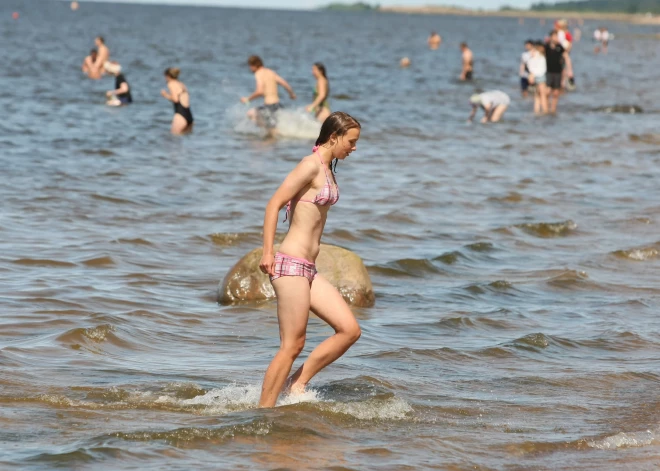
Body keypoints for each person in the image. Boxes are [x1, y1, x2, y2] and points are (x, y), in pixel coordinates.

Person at [257, 112, 362, 408]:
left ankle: (296, 384)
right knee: (292, 345)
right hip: (290, 264)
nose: (353, 148)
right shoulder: (310, 165)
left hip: (308, 269)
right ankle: (263, 412)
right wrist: (267, 252)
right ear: (334, 137)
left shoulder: (327, 168)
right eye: (351, 142)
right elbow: (273, 204)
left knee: (349, 330)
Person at [241, 55, 296, 134]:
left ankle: (266, 134)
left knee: (250, 114)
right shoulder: (271, 72)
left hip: (269, 106)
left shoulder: (258, 73)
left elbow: (260, 91)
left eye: (250, 66)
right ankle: (272, 138)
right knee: (273, 129)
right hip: (277, 105)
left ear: (254, 65)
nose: (250, 69)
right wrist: (292, 94)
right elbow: (285, 83)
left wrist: (247, 99)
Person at [161, 67, 193, 134]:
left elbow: (175, 99)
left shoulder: (171, 84)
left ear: (168, 76)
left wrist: (165, 95)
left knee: (174, 139)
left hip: (180, 115)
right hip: (189, 115)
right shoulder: (181, 84)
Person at [544, 31, 565, 114]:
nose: (556, 38)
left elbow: (564, 59)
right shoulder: (546, 47)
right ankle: (547, 107)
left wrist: (565, 72)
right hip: (548, 71)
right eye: (555, 36)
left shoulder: (560, 47)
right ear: (551, 37)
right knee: (548, 91)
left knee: (556, 92)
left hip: (558, 72)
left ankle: (553, 109)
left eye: (557, 36)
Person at [527, 42, 548, 115]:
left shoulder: (540, 57)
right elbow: (530, 67)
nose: (531, 52)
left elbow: (542, 69)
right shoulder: (531, 58)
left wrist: (533, 74)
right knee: (536, 95)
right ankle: (537, 111)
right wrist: (531, 75)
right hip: (535, 77)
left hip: (540, 77)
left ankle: (545, 110)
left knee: (542, 94)